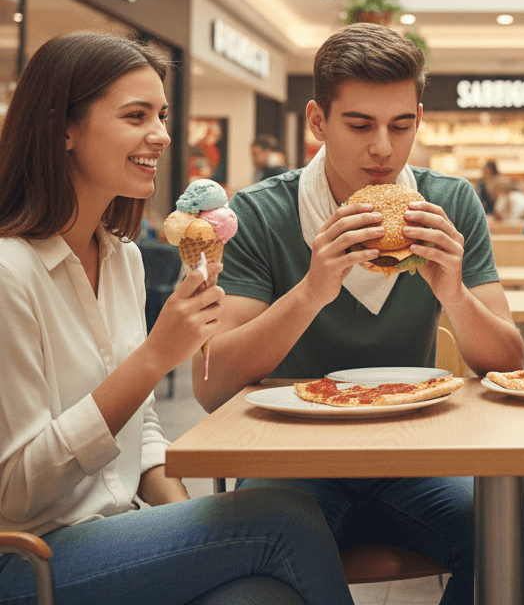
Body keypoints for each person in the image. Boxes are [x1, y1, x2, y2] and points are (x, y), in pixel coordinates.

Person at [0, 31, 354, 605]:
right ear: (63, 128)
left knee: (265, 593)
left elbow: (141, 434)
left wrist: (197, 529)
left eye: (161, 115)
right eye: (135, 115)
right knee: (286, 518)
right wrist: (154, 359)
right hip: (29, 559)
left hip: (118, 535)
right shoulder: (9, 273)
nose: (162, 135)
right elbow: (18, 493)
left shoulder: (123, 258)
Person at [197, 23, 523, 605]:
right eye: (359, 125)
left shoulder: (448, 204)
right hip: (291, 455)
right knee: (261, 569)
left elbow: (507, 363)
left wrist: (454, 292)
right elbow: (211, 384)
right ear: (317, 121)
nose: (383, 149)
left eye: (400, 126)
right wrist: (311, 291)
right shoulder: (262, 213)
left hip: (415, 452)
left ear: (419, 119)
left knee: (502, 539)